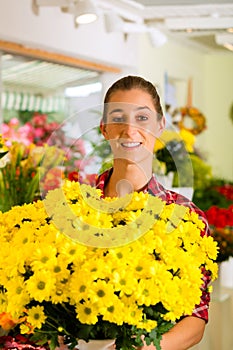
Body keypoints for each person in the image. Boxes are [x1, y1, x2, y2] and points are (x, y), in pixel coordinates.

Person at [97, 75, 211, 350]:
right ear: (104, 128)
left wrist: (146, 348)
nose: (129, 129)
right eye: (118, 117)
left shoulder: (185, 217)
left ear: (160, 125)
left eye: (142, 118)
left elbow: (196, 319)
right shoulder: (72, 207)